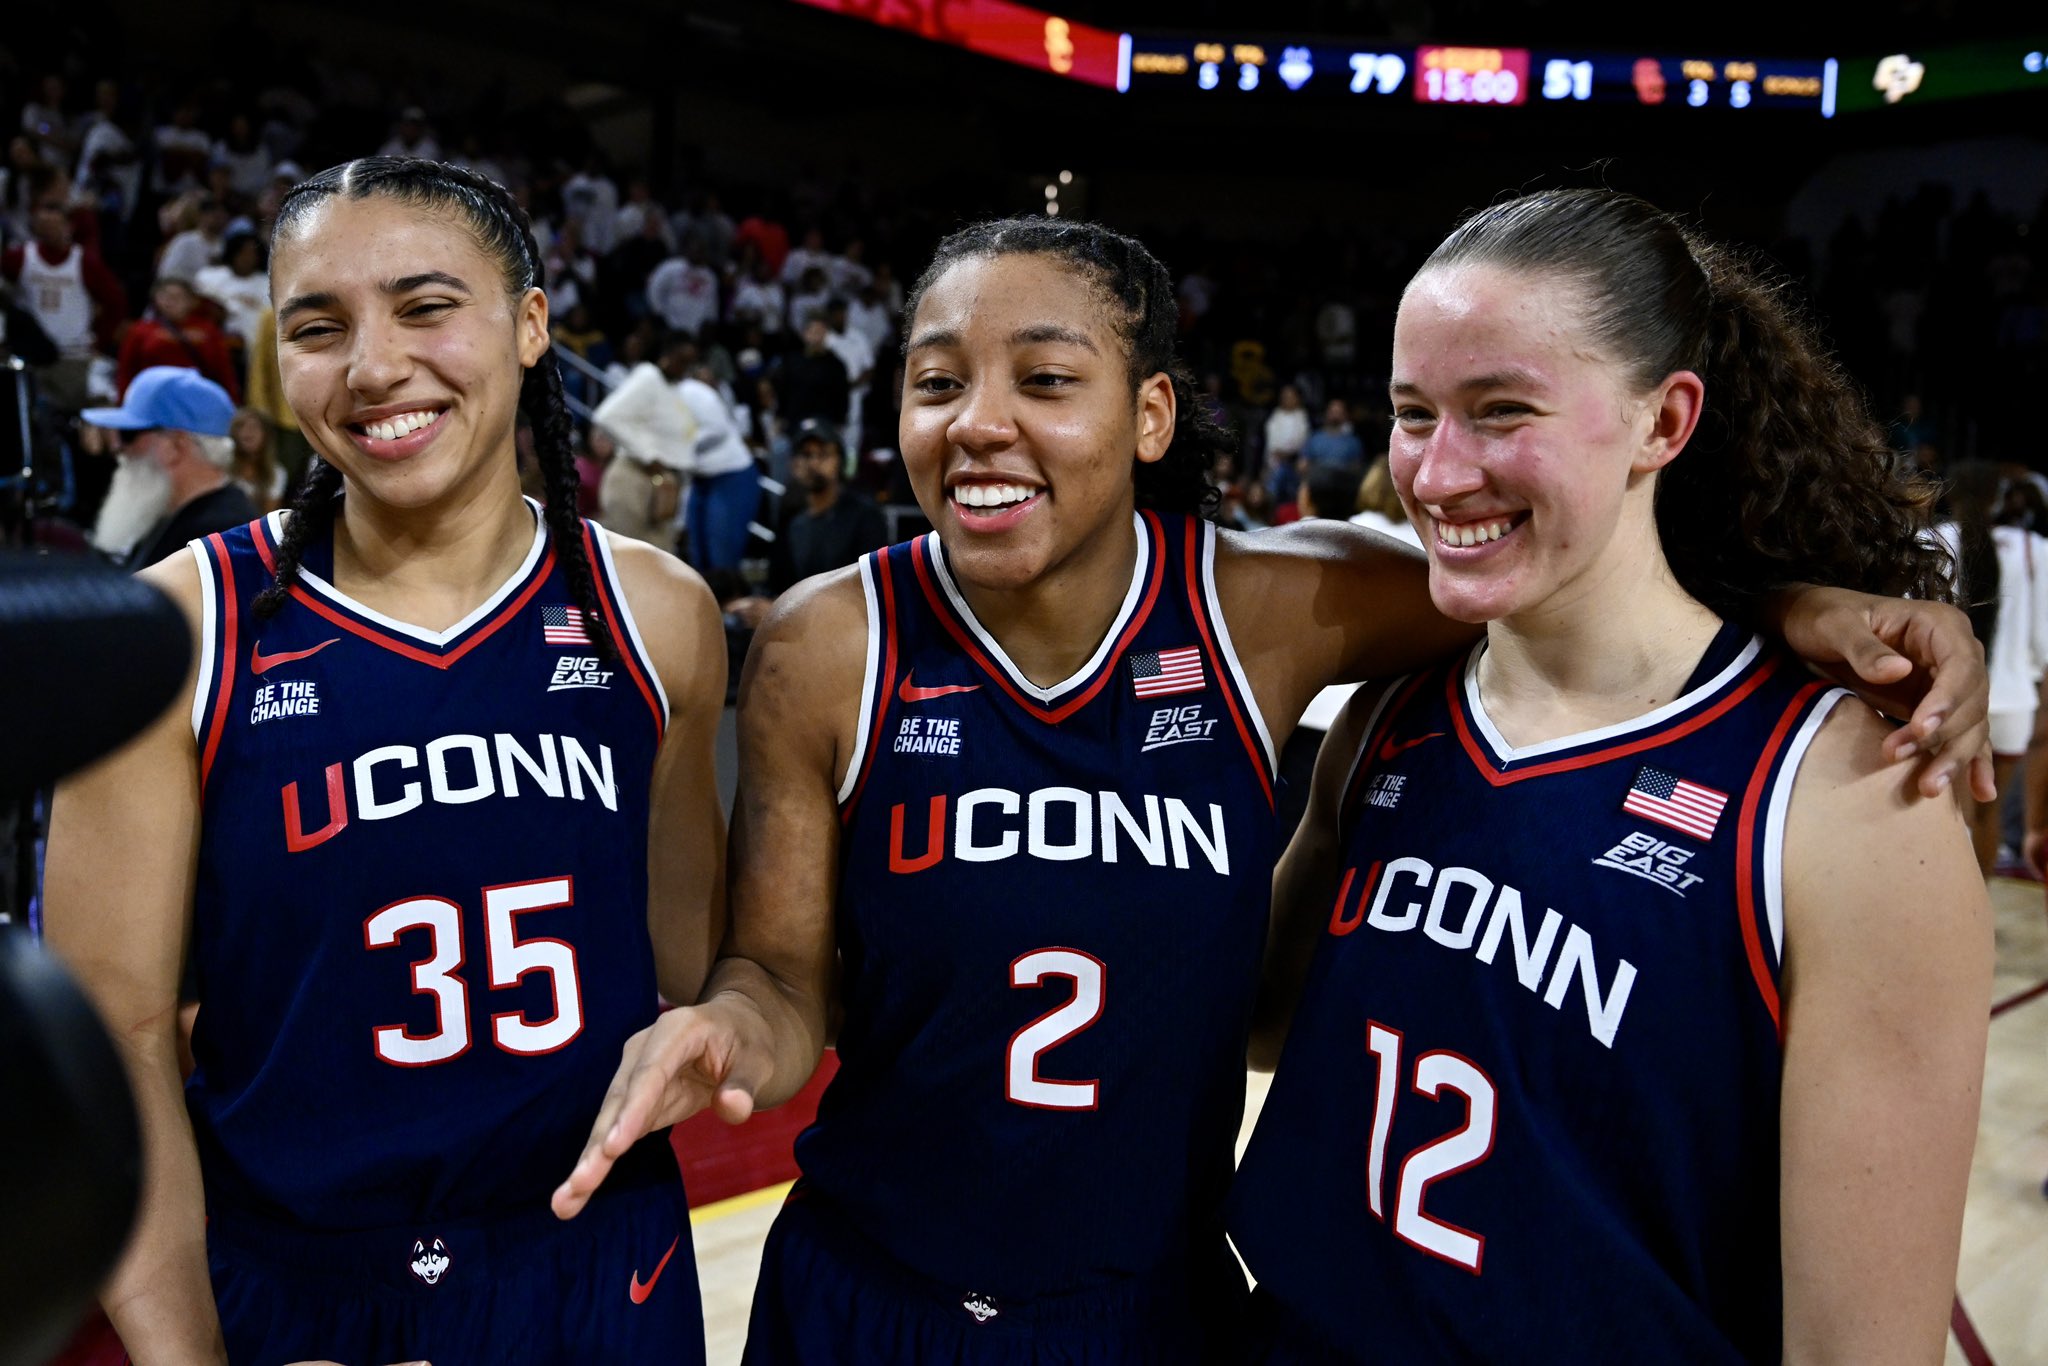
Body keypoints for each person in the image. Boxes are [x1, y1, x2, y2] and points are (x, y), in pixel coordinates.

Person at [553, 216, 1991, 1364]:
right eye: (936, 381)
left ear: (1151, 412)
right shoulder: (836, 638)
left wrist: (1794, 606)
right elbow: (789, 977)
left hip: (1151, 1309)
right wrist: (736, 1022)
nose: (980, 420)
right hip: (907, 1289)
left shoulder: (1280, 611)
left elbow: (1580, 582)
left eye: (1045, 379)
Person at [1230, 188, 1992, 1364]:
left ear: (1663, 421)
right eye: (1411, 412)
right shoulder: (1388, 714)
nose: (1436, 471)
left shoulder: (1846, 793)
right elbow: (1254, 1017)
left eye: (1501, 410)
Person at [43, 156, 727, 1365]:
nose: (371, 366)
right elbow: (114, 1042)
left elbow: (695, 963)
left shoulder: (655, 612)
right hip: (302, 1285)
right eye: (318, 327)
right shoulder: (179, 631)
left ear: (529, 326)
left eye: (425, 307)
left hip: (597, 1270)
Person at [82, 366, 258, 567]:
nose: (118, 447)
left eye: (128, 435)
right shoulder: (174, 513)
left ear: (175, 446)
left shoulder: (219, 535)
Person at [767, 417, 887, 594]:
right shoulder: (789, 518)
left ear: (840, 460)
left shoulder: (865, 515)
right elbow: (777, 584)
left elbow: (874, 584)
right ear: (793, 464)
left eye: (823, 454)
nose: (813, 463)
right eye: (806, 455)